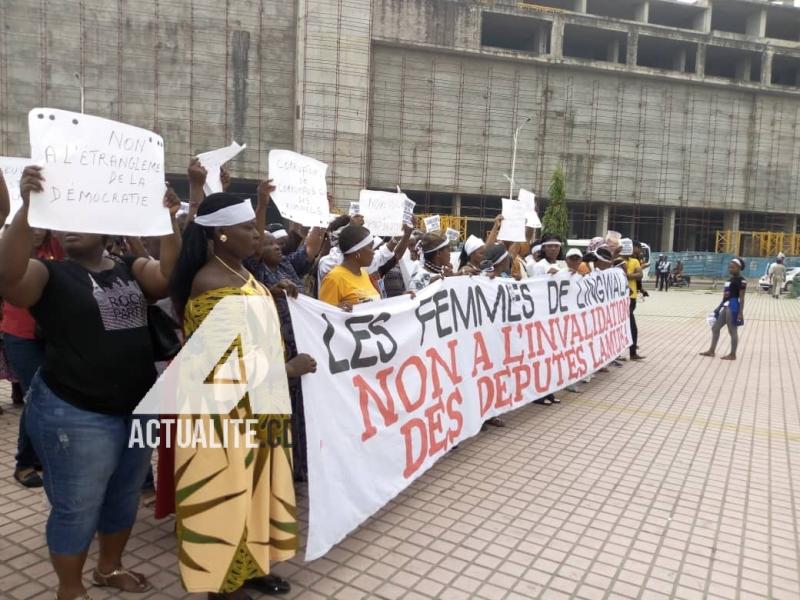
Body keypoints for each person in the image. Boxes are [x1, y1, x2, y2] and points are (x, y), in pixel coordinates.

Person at [0, 165, 182, 600]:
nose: (71, 230)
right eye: (64, 220)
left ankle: (109, 568)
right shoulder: (49, 274)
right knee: (78, 506)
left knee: (122, 497)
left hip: (137, 408)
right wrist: (25, 208)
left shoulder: (129, 268)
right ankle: (70, 587)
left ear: (107, 229)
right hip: (75, 413)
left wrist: (168, 221)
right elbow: (8, 279)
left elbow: (168, 276)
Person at [169, 191, 317, 599]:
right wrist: (286, 369)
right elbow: (217, 368)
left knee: (254, 494)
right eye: (247, 228)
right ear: (220, 235)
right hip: (225, 417)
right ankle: (221, 584)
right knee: (226, 495)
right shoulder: (211, 283)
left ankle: (250, 567)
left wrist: (273, 292)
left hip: (257, 411)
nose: (257, 234)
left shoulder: (235, 271)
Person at [1, 228, 63, 488]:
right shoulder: (13, 246)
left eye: (42, 224)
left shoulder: (56, 246)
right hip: (20, 336)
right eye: (32, 224)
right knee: (37, 396)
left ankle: (39, 455)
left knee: (52, 397)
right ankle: (23, 463)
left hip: (52, 334)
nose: (37, 230)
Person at [319, 225, 381, 309]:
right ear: (357, 251)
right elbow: (324, 315)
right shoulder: (333, 279)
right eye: (370, 247)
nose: (373, 252)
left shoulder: (364, 273)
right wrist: (341, 310)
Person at [700, 258, 747, 360]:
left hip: (733, 306)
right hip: (726, 305)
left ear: (739, 268)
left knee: (732, 331)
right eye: (729, 267)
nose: (730, 269)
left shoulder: (742, 281)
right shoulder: (729, 280)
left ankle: (733, 354)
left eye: (732, 267)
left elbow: (742, 297)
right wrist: (718, 307)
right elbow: (726, 296)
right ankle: (711, 351)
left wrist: (740, 312)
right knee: (715, 328)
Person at [620, 238, 645, 361]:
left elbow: (640, 275)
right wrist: (631, 276)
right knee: (630, 326)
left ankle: (632, 352)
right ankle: (631, 352)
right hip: (619, 299)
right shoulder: (616, 261)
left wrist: (627, 275)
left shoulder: (634, 261)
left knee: (631, 326)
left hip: (631, 297)